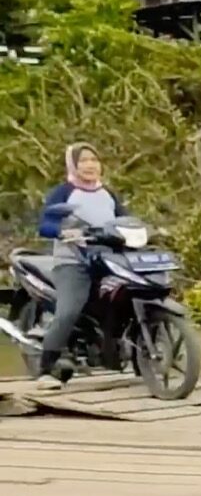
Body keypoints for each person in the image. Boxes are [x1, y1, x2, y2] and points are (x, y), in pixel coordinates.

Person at [33, 143, 131, 390]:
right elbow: (45, 225)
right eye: (83, 160)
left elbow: (125, 219)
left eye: (94, 160)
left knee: (128, 298)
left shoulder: (107, 193)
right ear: (73, 165)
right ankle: (45, 369)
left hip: (108, 261)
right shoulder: (64, 192)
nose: (90, 165)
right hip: (73, 263)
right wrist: (64, 231)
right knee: (68, 311)